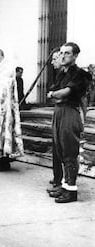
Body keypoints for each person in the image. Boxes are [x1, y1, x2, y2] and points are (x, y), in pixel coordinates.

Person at [46, 42, 91, 203]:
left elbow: (65, 93)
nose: (63, 56)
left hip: (70, 112)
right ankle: (64, 186)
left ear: (75, 56)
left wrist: (53, 94)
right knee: (60, 150)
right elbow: (55, 91)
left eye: (67, 53)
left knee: (69, 152)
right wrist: (55, 94)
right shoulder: (62, 73)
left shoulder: (80, 74)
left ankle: (71, 190)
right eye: (62, 53)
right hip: (59, 112)